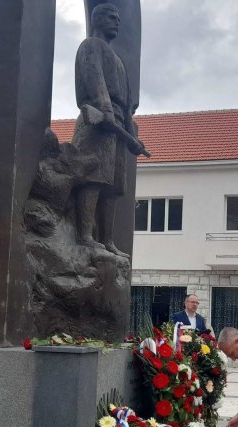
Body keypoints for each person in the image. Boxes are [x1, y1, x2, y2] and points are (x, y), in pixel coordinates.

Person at [72, 3, 146, 257]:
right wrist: (105, 110)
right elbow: (96, 84)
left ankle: (107, 239)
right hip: (97, 120)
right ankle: (84, 235)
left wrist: (131, 136)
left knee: (114, 185)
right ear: (97, 19)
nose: (117, 22)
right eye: (111, 18)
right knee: (94, 177)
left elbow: (125, 103)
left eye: (118, 18)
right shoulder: (91, 46)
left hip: (116, 125)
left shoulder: (120, 62)